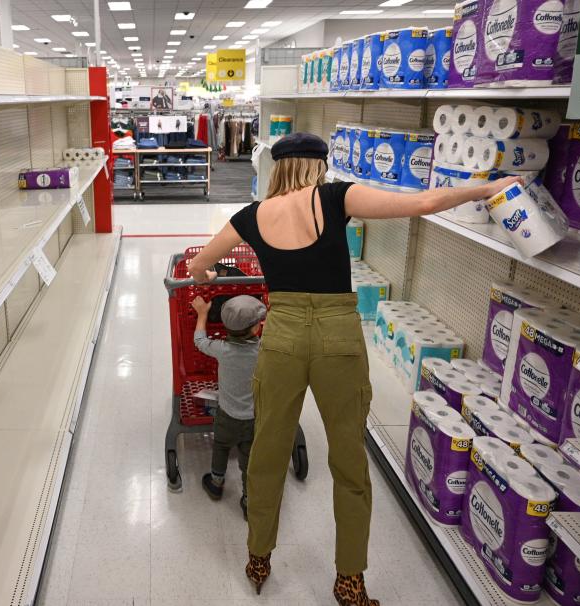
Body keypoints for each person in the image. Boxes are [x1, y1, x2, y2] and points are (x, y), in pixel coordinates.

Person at [185, 132, 520, 603]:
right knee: (348, 460)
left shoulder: (250, 215)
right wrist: (483, 189)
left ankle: (258, 555)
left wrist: (212, 276)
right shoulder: (336, 197)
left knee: (267, 453)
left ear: (279, 167)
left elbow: (199, 266)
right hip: (337, 337)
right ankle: (349, 580)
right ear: (318, 166)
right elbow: (423, 202)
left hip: (279, 336)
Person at [191, 294, 267, 518]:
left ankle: (216, 482)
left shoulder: (223, 350)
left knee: (221, 446)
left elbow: (200, 341)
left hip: (226, 414)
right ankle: (248, 501)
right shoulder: (263, 350)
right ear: (255, 330)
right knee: (248, 459)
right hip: (253, 419)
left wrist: (203, 313)